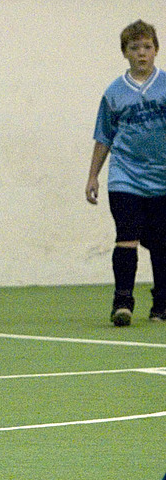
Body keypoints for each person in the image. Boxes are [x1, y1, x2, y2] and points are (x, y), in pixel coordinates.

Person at [85, 20, 166, 326]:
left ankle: (161, 303)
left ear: (156, 50)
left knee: (160, 241)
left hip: (162, 177)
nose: (142, 53)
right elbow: (104, 136)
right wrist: (93, 176)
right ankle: (123, 302)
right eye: (135, 48)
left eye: (147, 47)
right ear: (125, 53)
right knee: (127, 237)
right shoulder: (114, 93)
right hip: (125, 175)